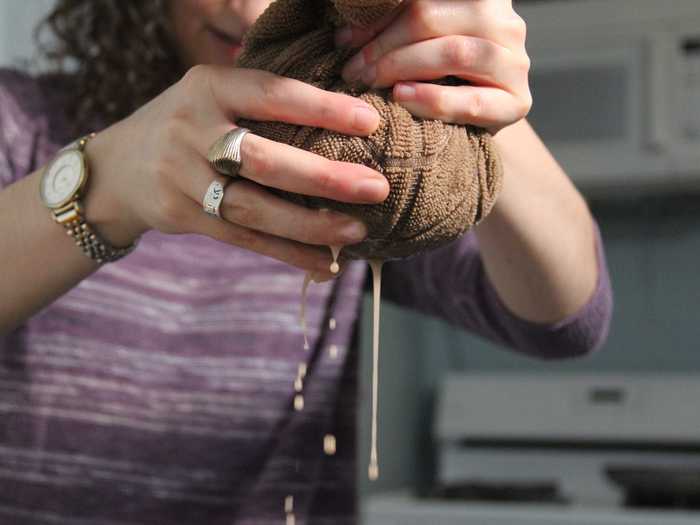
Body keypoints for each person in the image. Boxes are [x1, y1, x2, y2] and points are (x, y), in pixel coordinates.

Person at [0, 0, 613, 523]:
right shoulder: (20, 123)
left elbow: (565, 317)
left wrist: (474, 91)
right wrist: (101, 182)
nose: (243, 8)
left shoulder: (363, 151)